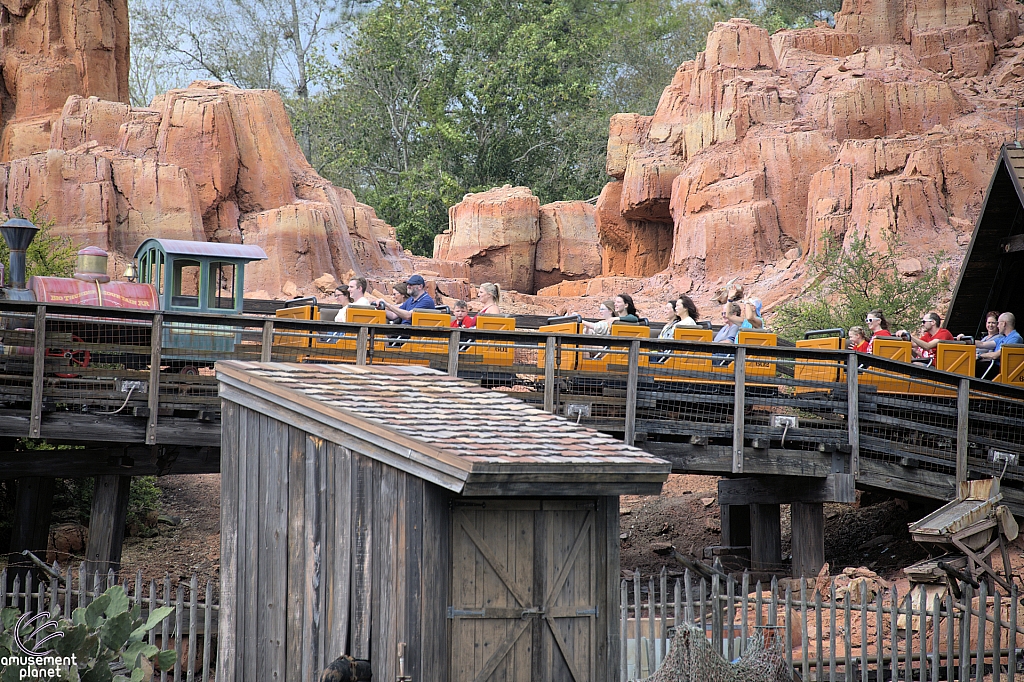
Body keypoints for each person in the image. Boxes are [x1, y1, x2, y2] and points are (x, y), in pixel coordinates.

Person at [977, 312, 1022, 378]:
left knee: (972, 366)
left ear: (1004, 324)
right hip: (995, 367)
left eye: (998, 323)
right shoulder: (1003, 338)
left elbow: (996, 355)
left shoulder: (1015, 338)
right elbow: (982, 344)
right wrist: (966, 340)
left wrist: (979, 356)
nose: (997, 326)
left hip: (1001, 370)